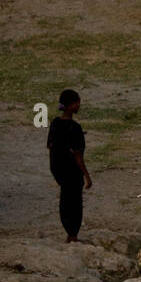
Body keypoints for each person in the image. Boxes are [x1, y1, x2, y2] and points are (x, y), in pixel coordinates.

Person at [47, 89, 91, 242]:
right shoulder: (75, 128)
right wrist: (87, 175)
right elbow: (78, 156)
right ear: (72, 105)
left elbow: (51, 147)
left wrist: (55, 168)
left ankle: (69, 233)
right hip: (72, 172)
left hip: (59, 170)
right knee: (75, 204)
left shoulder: (55, 124)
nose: (79, 105)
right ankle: (73, 235)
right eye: (78, 102)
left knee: (65, 201)